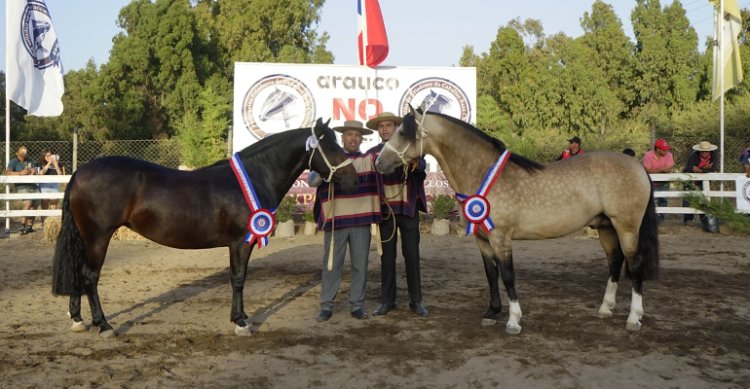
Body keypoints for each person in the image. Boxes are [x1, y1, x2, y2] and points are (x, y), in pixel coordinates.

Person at [309, 120, 381, 322]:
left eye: (357, 135)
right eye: (349, 134)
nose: (353, 138)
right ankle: (326, 306)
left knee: (360, 266)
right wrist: (325, 172)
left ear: (361, 139)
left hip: (361, 222)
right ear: (342, 138)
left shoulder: (368, 160)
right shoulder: (330, 158)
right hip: (336, 221)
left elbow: (385, 165)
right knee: (332, 265)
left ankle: (357, 305)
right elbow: (312, 181)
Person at [366, 112, 429, 317]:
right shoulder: (372, 153)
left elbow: (421, 168)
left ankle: (416, 301)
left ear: (396, 128)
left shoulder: (409, 149)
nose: (385, 129)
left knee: (412, 256)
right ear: (378, 130)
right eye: (381, 126)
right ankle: (387, 301)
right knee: (387, 258)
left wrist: (414, 163)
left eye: (389, 125)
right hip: (386, 213)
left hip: (408, 209)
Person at [5, 146, 40, 234]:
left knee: (35, 204)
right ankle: (22, 225)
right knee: (28, 202)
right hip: (22, 186)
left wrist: (34, 171)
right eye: (21, 155)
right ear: (17, 154)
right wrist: (20, 173)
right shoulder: (13, 162)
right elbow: (7, 172)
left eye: (24, 154)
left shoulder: (30, 160)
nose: (23, 156)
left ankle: (29, 226)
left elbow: (37, 170)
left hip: (33, 185)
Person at [682, 141, 718, 225]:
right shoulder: (693, 156)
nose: (704, 153)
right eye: (702, 151)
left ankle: (704, 219)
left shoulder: (714, 156)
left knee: (703, 199)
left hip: (703, 180)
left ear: (709, 151)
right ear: (699, 151)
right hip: (690, 179)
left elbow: (713, 168)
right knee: (688, 199)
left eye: (706, 151)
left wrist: (700, 169)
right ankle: (688, 219)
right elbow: (689, 168)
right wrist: (704, 168)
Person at [642, 139, 674, 219]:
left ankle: (662, 218)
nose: (666, 151)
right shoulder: (648, 155)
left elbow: (668, 169)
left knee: (663, 199)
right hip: (650, 182)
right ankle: (651, 217)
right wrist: (661, 170)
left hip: (664, 182)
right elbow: (647, 170)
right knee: (650, 200)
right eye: (664, 150)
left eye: (666, 149)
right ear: (658, 149)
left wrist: (654, 171)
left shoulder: (669, 155)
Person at [38, 149, 63, 223]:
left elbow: (60, 175)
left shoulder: (57, 164)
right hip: (44, 186)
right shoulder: (40, 163)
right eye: (47, 156)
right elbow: (41, 173)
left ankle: (53, 224)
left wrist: (55, 164)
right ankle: (44, 223)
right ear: (44, 157)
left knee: (54, 206)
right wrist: (49, 163)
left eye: (50, 155)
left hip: (54, 186)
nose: (49, 157)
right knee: (45, 206)